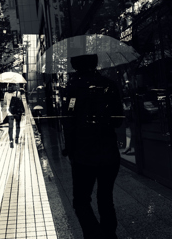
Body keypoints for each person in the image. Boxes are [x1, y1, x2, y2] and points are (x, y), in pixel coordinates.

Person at [62, 54, 123, 239]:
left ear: (76, 65)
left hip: (83, 153)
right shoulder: (109, 84)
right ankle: (110, 235)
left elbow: (69, 120)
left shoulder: (72, 88)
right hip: (109, 152)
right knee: (106, 199)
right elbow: (118, 120)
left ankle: (94, 235)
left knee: (81, 200)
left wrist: (69, 148)